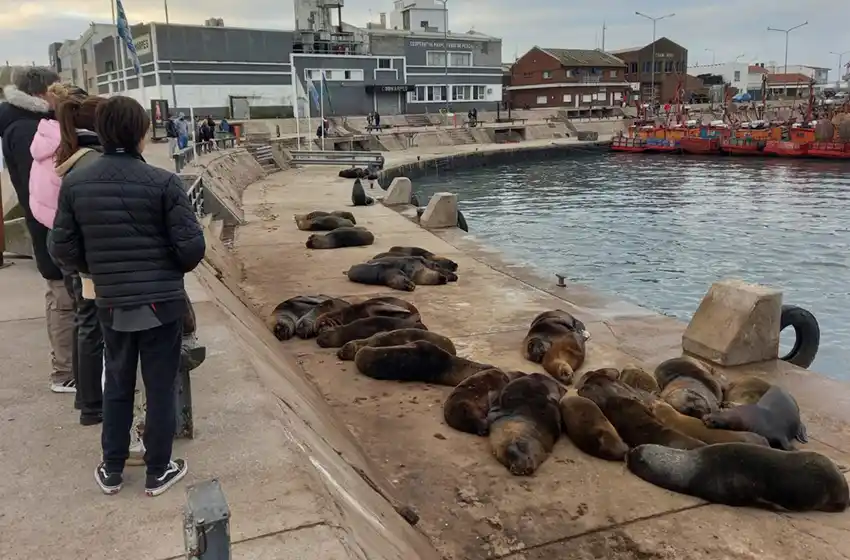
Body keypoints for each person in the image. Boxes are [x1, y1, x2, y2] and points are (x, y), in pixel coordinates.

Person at [50, 95, 206, 497]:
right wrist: (165, 267)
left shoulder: (76, 184)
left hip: (111, 300)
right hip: (161, 302)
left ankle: (112, 468)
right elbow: (191, 249)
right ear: (141, 133)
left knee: (117, 382)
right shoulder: (164, 182)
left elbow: (61, 248)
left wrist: (96, 266)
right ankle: (158, 470)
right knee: (158, 384)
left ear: (101, 133)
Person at [0, 67, 77, 394]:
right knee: (62, 298)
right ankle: (65, 372)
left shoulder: (20, 123)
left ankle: (70, 368)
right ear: (43, 91)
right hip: (50, 227)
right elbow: (45, 186)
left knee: (63, 296)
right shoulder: (27, 129)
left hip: (46, 226)